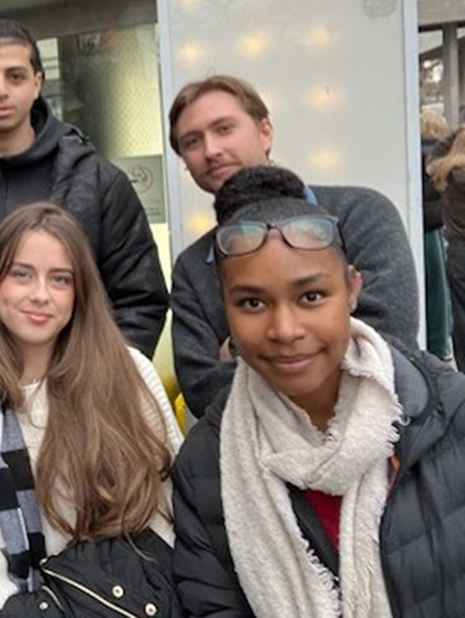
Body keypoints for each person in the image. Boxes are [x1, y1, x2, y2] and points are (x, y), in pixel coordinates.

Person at [171, 166, 465, 618]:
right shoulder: (205, 464)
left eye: (310, 297)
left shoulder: (450, 416)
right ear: (225, 309)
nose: (285, 329)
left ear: (352, 289)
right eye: (252, 303)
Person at [0, 203, 181, 618]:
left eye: (60, 279)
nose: (40, 294)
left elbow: (171, 507)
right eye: (21, 274)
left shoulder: (129, 373)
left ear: (79, 293)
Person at [0, 19, 168, 356]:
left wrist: (94, 377)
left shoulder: (98, 182)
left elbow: (140, 298)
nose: (1, 90)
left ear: (37, 82)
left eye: (15, 76)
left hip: (77, 384)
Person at [168, 74, 418, 417]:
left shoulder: (361, 214)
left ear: (265, 131)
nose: (211, 150)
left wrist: (238, 349)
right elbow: (201, 389)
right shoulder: (193, 266)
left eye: (224, 129)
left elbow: (389, 346)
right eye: (192, 141)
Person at [429, 127, 465, 369]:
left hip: (458, 252)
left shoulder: (447, 173)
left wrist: (455, 134)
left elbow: (434, 155)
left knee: (461, 315)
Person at [419, 107, 452, 360]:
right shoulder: (440, 160)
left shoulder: (410, 152)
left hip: (419, 226)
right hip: (432, 229)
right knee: (438, 291)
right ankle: (439, 346)